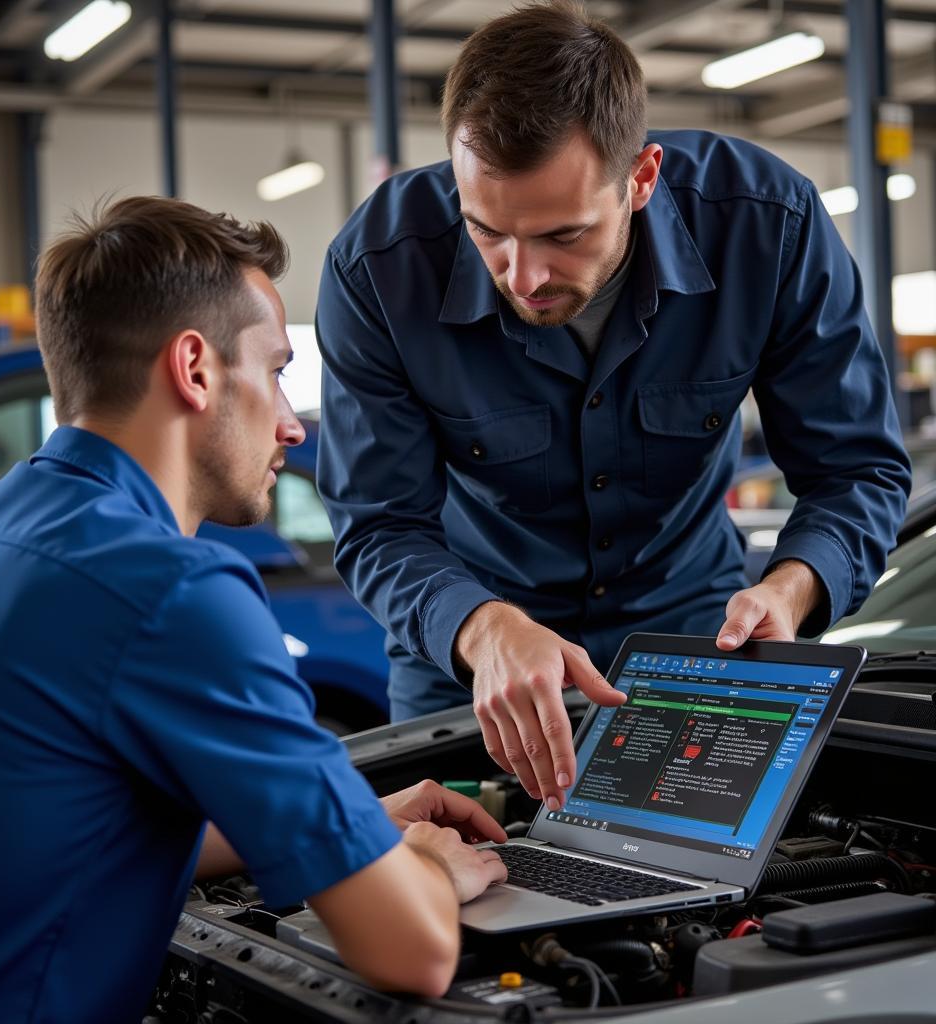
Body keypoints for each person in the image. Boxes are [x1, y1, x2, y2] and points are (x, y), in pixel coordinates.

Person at [0, 196, 508, 1023]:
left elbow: (55, 829)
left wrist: (350, 831)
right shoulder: (170, 588)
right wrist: (427, 869)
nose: (293, 426)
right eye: (274, 371)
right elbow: (414, 952)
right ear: (193, 369)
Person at [315, 2, 911, 814]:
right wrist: (486, 628)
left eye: (563, 234)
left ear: (641, 178)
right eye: (488, 232)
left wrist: (792, 590)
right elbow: (379, 522)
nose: (522, 275)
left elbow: (858, 469)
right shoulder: (377, 269)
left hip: (690, 651)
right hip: (472, 661)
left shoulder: (769, 228)